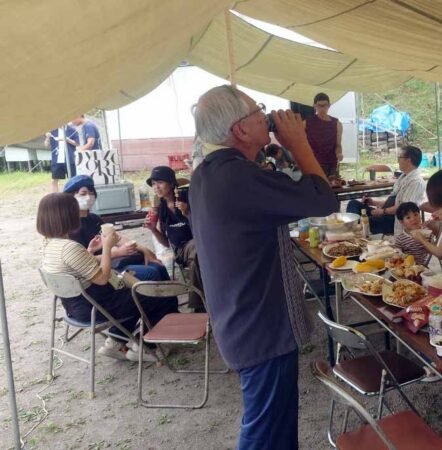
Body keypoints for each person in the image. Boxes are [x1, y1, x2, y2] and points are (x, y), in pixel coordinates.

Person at [191, 85, 338, 449]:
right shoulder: (238, 177)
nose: (267, 116)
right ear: (240, 129)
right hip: (259, 327)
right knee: (265, 432)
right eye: (259, 111)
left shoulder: (210, 171)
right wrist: (298, 141)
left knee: (276, 427)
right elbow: (324, 199)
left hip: (242, 317)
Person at [38, 193, 178, 362]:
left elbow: (76, 266)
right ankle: (146, 347)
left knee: (133, 293)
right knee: (158, 294)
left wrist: (89, 252)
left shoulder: (48, 244)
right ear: (67, 216)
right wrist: (107, 247)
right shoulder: (69, 248)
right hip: (94, 306)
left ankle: (116, 341)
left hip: (74, 306)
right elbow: (103, 278)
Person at [63, 175, 168, 282]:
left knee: (158, 266)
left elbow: (116, 237)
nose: (89, 197)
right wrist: (118, 252)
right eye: (83, 194)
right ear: (71, 197)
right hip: (99, 271)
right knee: (151, 273)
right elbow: (82, 261)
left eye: (91, 193)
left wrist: (143, 249)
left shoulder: (93, 218)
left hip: (112, 261)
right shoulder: (70, 227)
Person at [142, 166, 204, 310]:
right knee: (196, 249)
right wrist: (153, 229)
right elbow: (166, 242)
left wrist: (187, 213)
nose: (156, 187)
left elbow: (203, 224)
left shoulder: (187, 198)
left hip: (201, 241)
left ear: (171, 183)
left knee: (197, 255)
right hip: (182, 249)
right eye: (153, 184)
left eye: (160, 182)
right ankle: (198, 306)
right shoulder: (161, 209)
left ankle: (200, 303)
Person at [346, 145, 427, 235]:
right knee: (353, 204)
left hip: (394, 220)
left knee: (364, 221)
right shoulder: (404, 176)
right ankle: (355, 228)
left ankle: (354, 230)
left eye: (399, 158)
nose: (398, 161)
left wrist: (382, 212)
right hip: (387, 214)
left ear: (408, 160)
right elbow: (393, 201)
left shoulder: (415, 182)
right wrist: (374, 202)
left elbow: (403, 209)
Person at [304, 92, 342, 177]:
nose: (322, 108)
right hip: (314, 164)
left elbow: (338, 145)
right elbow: (300, 142)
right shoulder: (306, 123)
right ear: (314, 106)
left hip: (332, 164)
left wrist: (339, 153)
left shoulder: (337, 123)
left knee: (334, 185)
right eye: (319, 106)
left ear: (329, 106)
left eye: (325, 105)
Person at [44, 125, 79, 192]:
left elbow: (77, 143)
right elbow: (46, 145)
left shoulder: (72, 130)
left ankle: (71, 196)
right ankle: (55, 197)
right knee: (54, 180)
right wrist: (47, 138)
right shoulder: (52, 131)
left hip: (69, 159)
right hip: (57, 159)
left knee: (72, 180)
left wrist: (66, 139)